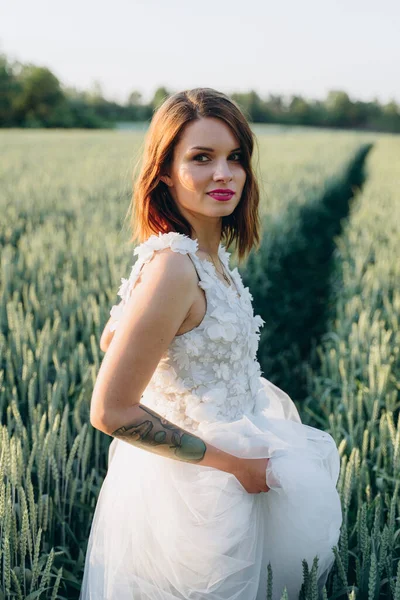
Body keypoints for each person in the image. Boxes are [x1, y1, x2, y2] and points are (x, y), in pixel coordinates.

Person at [80, 88, 343, 600]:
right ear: (165, 172)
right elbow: (110, 410)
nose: (224, 174)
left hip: (233, 462)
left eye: (235, 157)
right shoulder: (173, 268)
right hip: (195, 495)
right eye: (201, 158)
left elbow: (116, 337)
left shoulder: (204, 259)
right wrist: (238, 467)